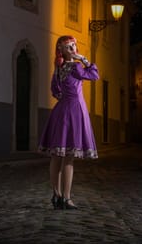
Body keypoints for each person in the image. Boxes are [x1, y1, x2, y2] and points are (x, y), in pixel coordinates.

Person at [38, 35, 99, 210]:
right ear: (62, 50)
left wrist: (64, 97)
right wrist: (84, 59)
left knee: (57, 155)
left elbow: (54, 90)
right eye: (68, 47)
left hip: (61, 111)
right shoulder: (76, 67)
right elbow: (94, 75)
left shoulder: (58, 68)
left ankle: (56, 195)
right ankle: (66, 198)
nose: (72, 48)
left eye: (74, 45)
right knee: (69, 158)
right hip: (74, 111)